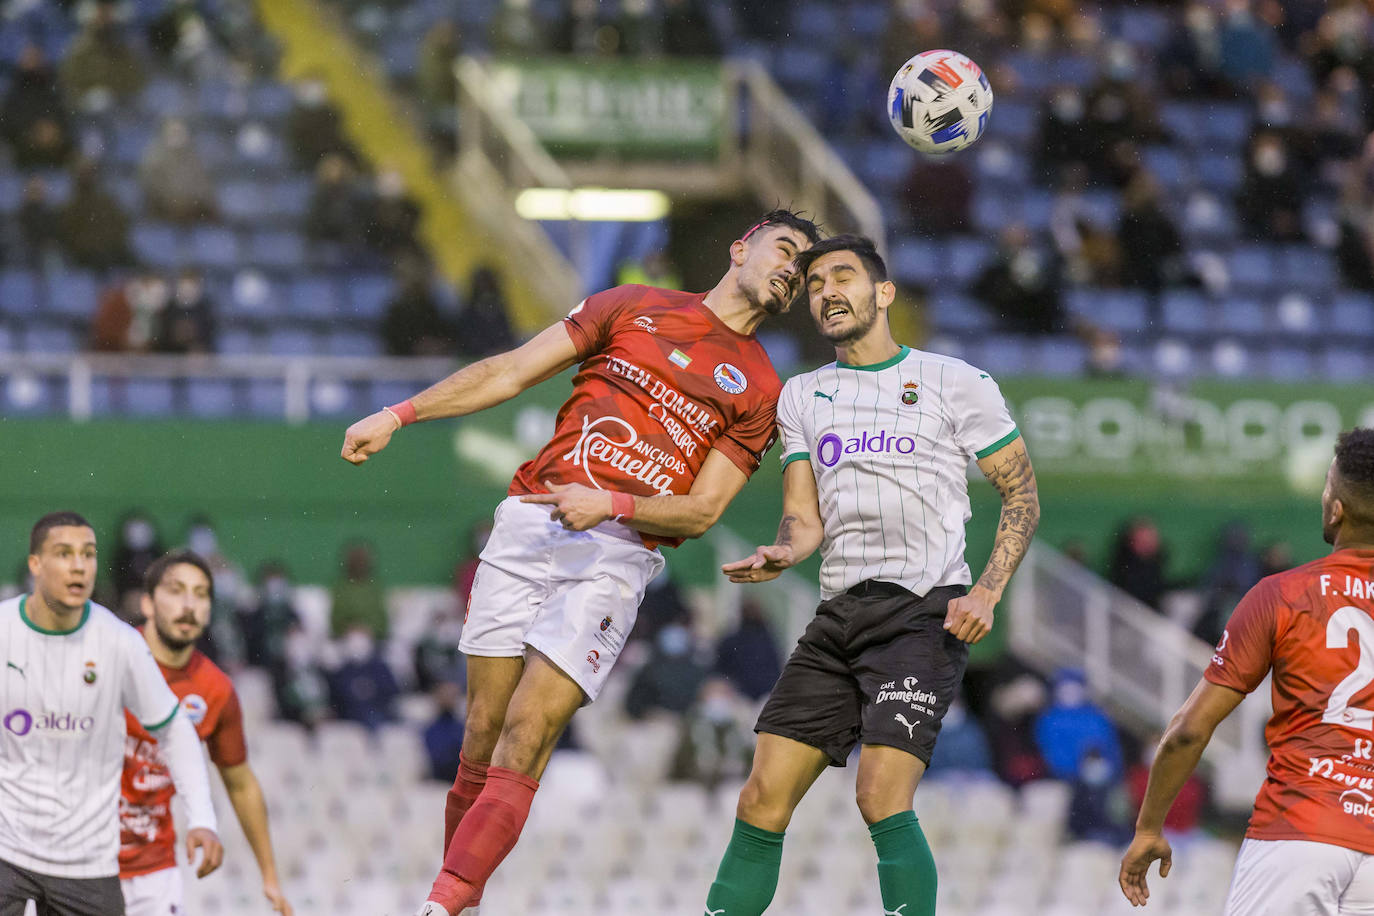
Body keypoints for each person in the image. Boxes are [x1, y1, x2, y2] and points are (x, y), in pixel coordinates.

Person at [340, 208, 821, 916]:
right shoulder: (633, 306)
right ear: (740, 248)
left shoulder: (760, 389)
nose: (791, 270)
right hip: (531, 521)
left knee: (528, 731)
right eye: (785, 250)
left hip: (616, 554)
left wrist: (613, 507)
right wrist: (398, 415)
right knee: (482, 728)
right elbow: (508, 372)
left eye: (803, 269)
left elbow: (701, 512)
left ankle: (439, 905)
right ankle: (462, 901)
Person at [702, 235, 1040, 916]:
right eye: (816, 282)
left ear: (883, 293)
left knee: (879, 795)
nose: (826, 290)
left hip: (923, 615)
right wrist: (783, 551)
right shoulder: (801, 396)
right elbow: (805, 519)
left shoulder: (957, 382)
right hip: (838, 617)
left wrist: (988, 591)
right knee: (760, 797)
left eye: (843, 277)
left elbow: (1022, 495)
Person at [1120, 428, 1374, 913]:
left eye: (1328, 485)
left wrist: (1149, 828)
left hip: (1299, 833)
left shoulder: (1281, 595)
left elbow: (1189, 731)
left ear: (1336, 508)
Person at [0, 512, 221, 916]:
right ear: (35, 564)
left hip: (88, 865)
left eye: (88, 554)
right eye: (64, 553)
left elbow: (174, 729)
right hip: (6, 854)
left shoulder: (119, 642)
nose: (79, 565)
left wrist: (203, 817)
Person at [119, 550, 292, 916]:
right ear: (148, 603)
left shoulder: (216, 690)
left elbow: (241, 783)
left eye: (200, 595)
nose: (189, 604)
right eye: (177, 590)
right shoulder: (109, 657)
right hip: (77, 861)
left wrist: (270, 876)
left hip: (154, 871)